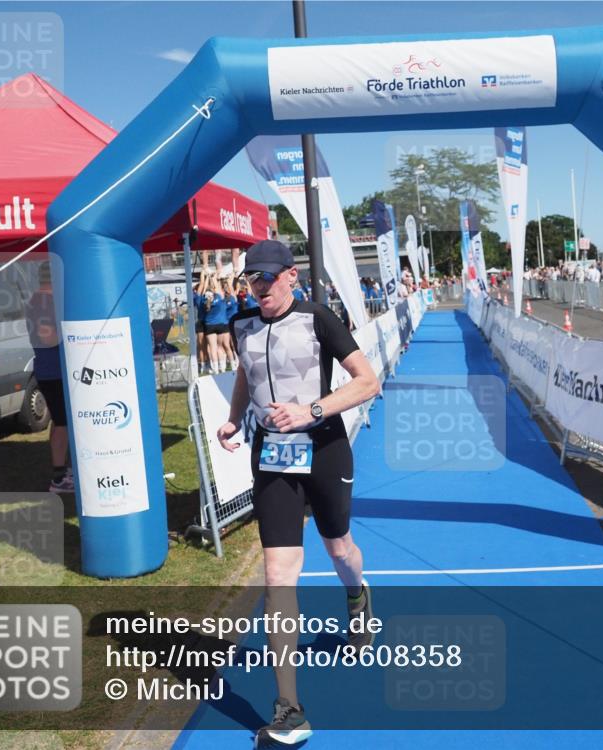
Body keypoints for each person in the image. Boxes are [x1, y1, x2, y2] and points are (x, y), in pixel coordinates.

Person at [217, 240, 380, 747]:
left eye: (268, 278)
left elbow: (367, 382)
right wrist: (233, 416)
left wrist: (311, 411)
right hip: (271, 457)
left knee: (339, 548)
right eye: (252, 280)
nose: (259, 287)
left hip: (325, 449)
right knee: (277, 573)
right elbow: (246, 370)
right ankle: (289, 708)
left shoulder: (318, 318)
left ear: (291, 276)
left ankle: (357, 597)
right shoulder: (240, 323)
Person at [24, 262, 72, 493]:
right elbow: (46, 336)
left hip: (50, 370)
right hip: (54, 370)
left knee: (59, 421)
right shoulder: (43, 302)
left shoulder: (39, 300)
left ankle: (61, 471)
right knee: (63, 423)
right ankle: (59, 478)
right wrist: (71, 334)